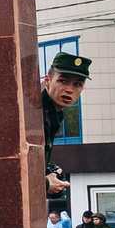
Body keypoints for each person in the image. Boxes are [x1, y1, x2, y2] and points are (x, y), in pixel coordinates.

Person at [41, 54, 90, 204]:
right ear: (48, 81)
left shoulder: (54, 114)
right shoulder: (34, 112)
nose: (69, 90)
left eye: (77, 84)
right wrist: (46, 184)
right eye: (63, 81)